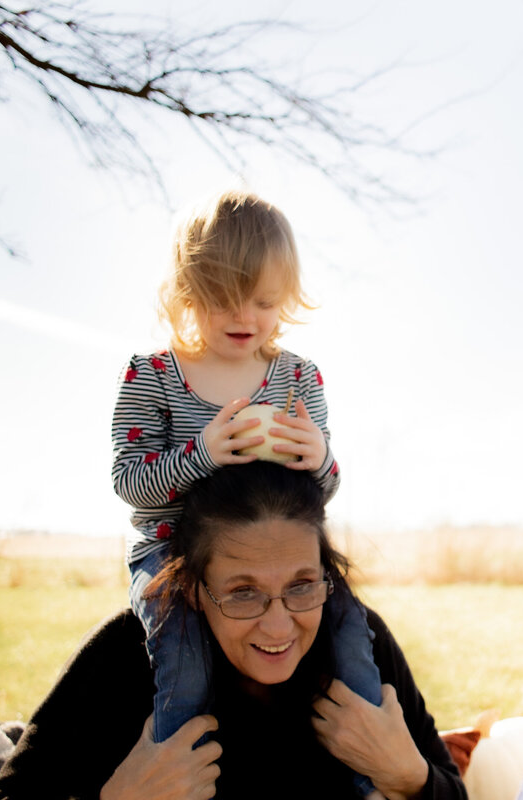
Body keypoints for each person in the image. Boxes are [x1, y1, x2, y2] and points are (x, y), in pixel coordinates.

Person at [109, 191, 382, 793]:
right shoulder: (153, 375)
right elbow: (129, 482)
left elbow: (320, 495)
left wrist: (320, 460)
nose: (246, 317)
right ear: (187, 293)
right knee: (182, 658)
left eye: (263, 301)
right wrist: (202, 453)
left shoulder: (298, 377)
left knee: (351, 636)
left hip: (278, 561)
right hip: (171, 555)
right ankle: (180, 782)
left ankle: (370, 781)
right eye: (224, 299)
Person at [0, 463, 467, 800]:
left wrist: (410, 776)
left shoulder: (359, 645)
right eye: (243, 592)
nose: (279, 625)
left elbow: (451, 789)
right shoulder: (128, 653)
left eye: (302, 585)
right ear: (194, 589)